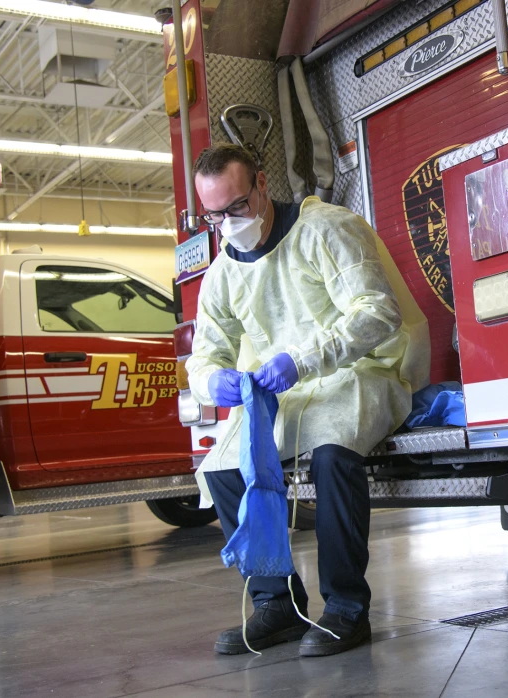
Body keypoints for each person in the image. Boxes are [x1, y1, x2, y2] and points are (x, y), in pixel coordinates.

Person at [185, 144, 429, 657]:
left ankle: (345, 606)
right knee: (222, 467)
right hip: (287, 390)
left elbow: (376, 313)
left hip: (359, 372)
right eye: (214, 215)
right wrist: (214, 382)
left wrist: (302, 360)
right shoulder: (222, 273)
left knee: (333, 454)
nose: (229, 224)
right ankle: (277, 603)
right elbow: (204, 357)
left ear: (261, 185)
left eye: (237, 207)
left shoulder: (326, 229)